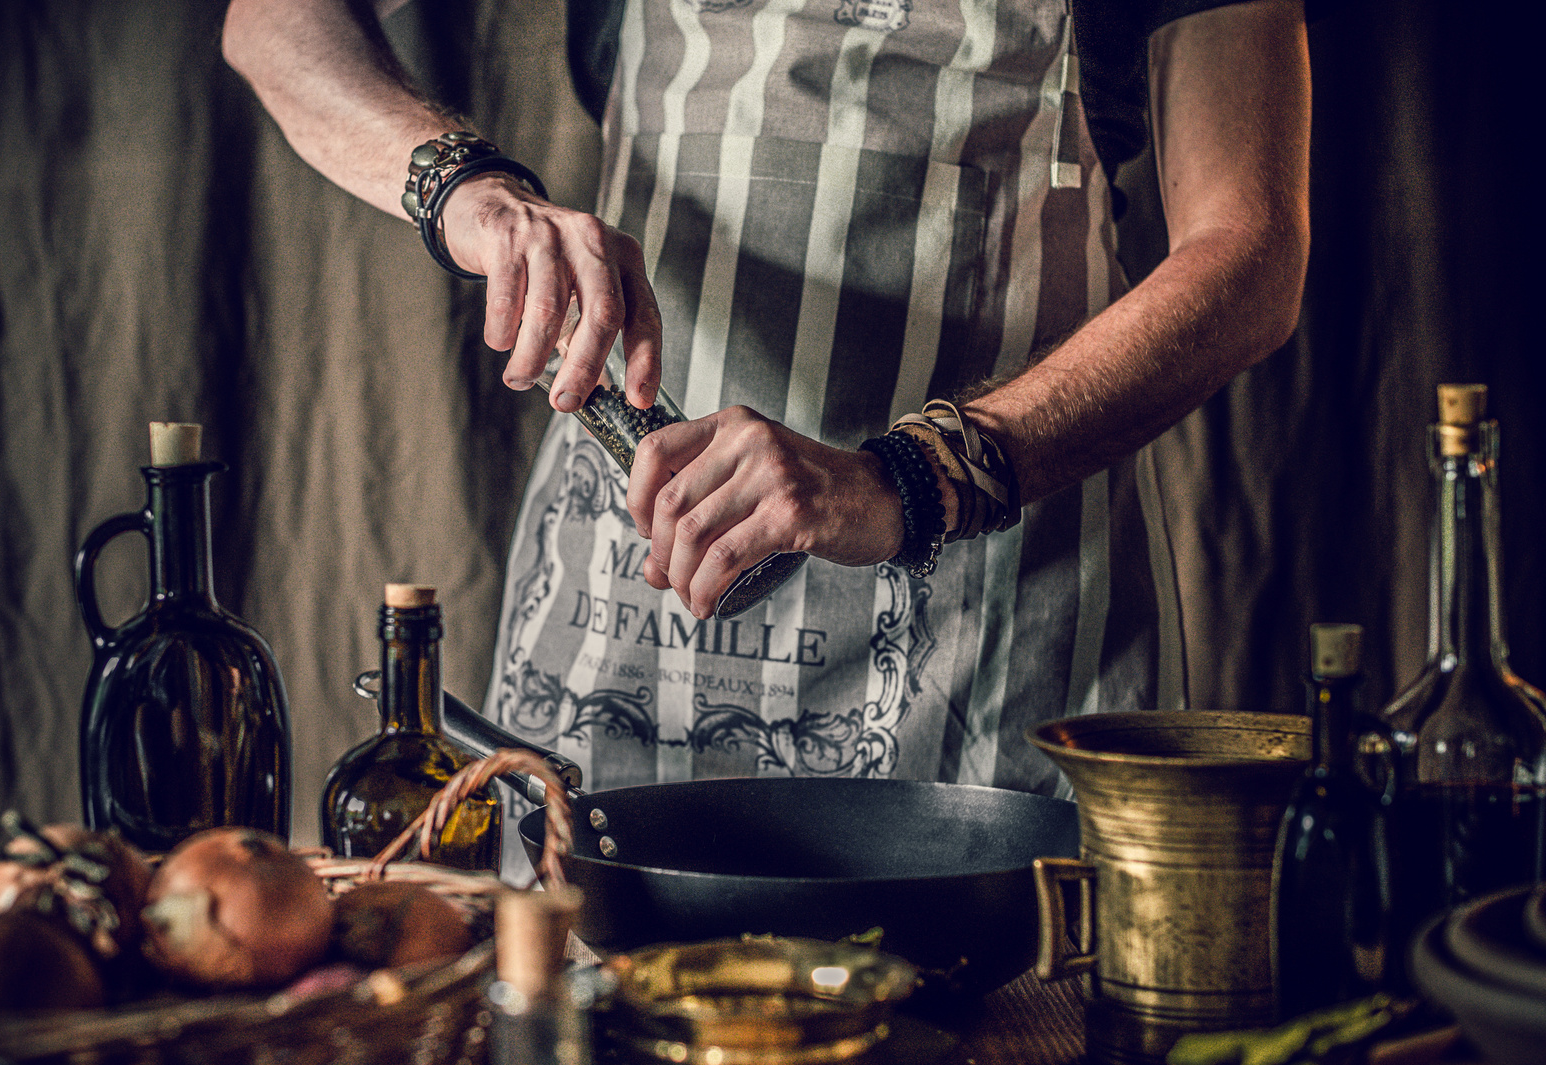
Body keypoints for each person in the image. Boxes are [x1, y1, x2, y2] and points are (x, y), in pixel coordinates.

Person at [223, 0, 1310, 875]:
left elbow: (1250, 254)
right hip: (632, 593)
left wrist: (908, 479)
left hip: (991, 600)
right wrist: (468, 191)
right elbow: (272, 20)